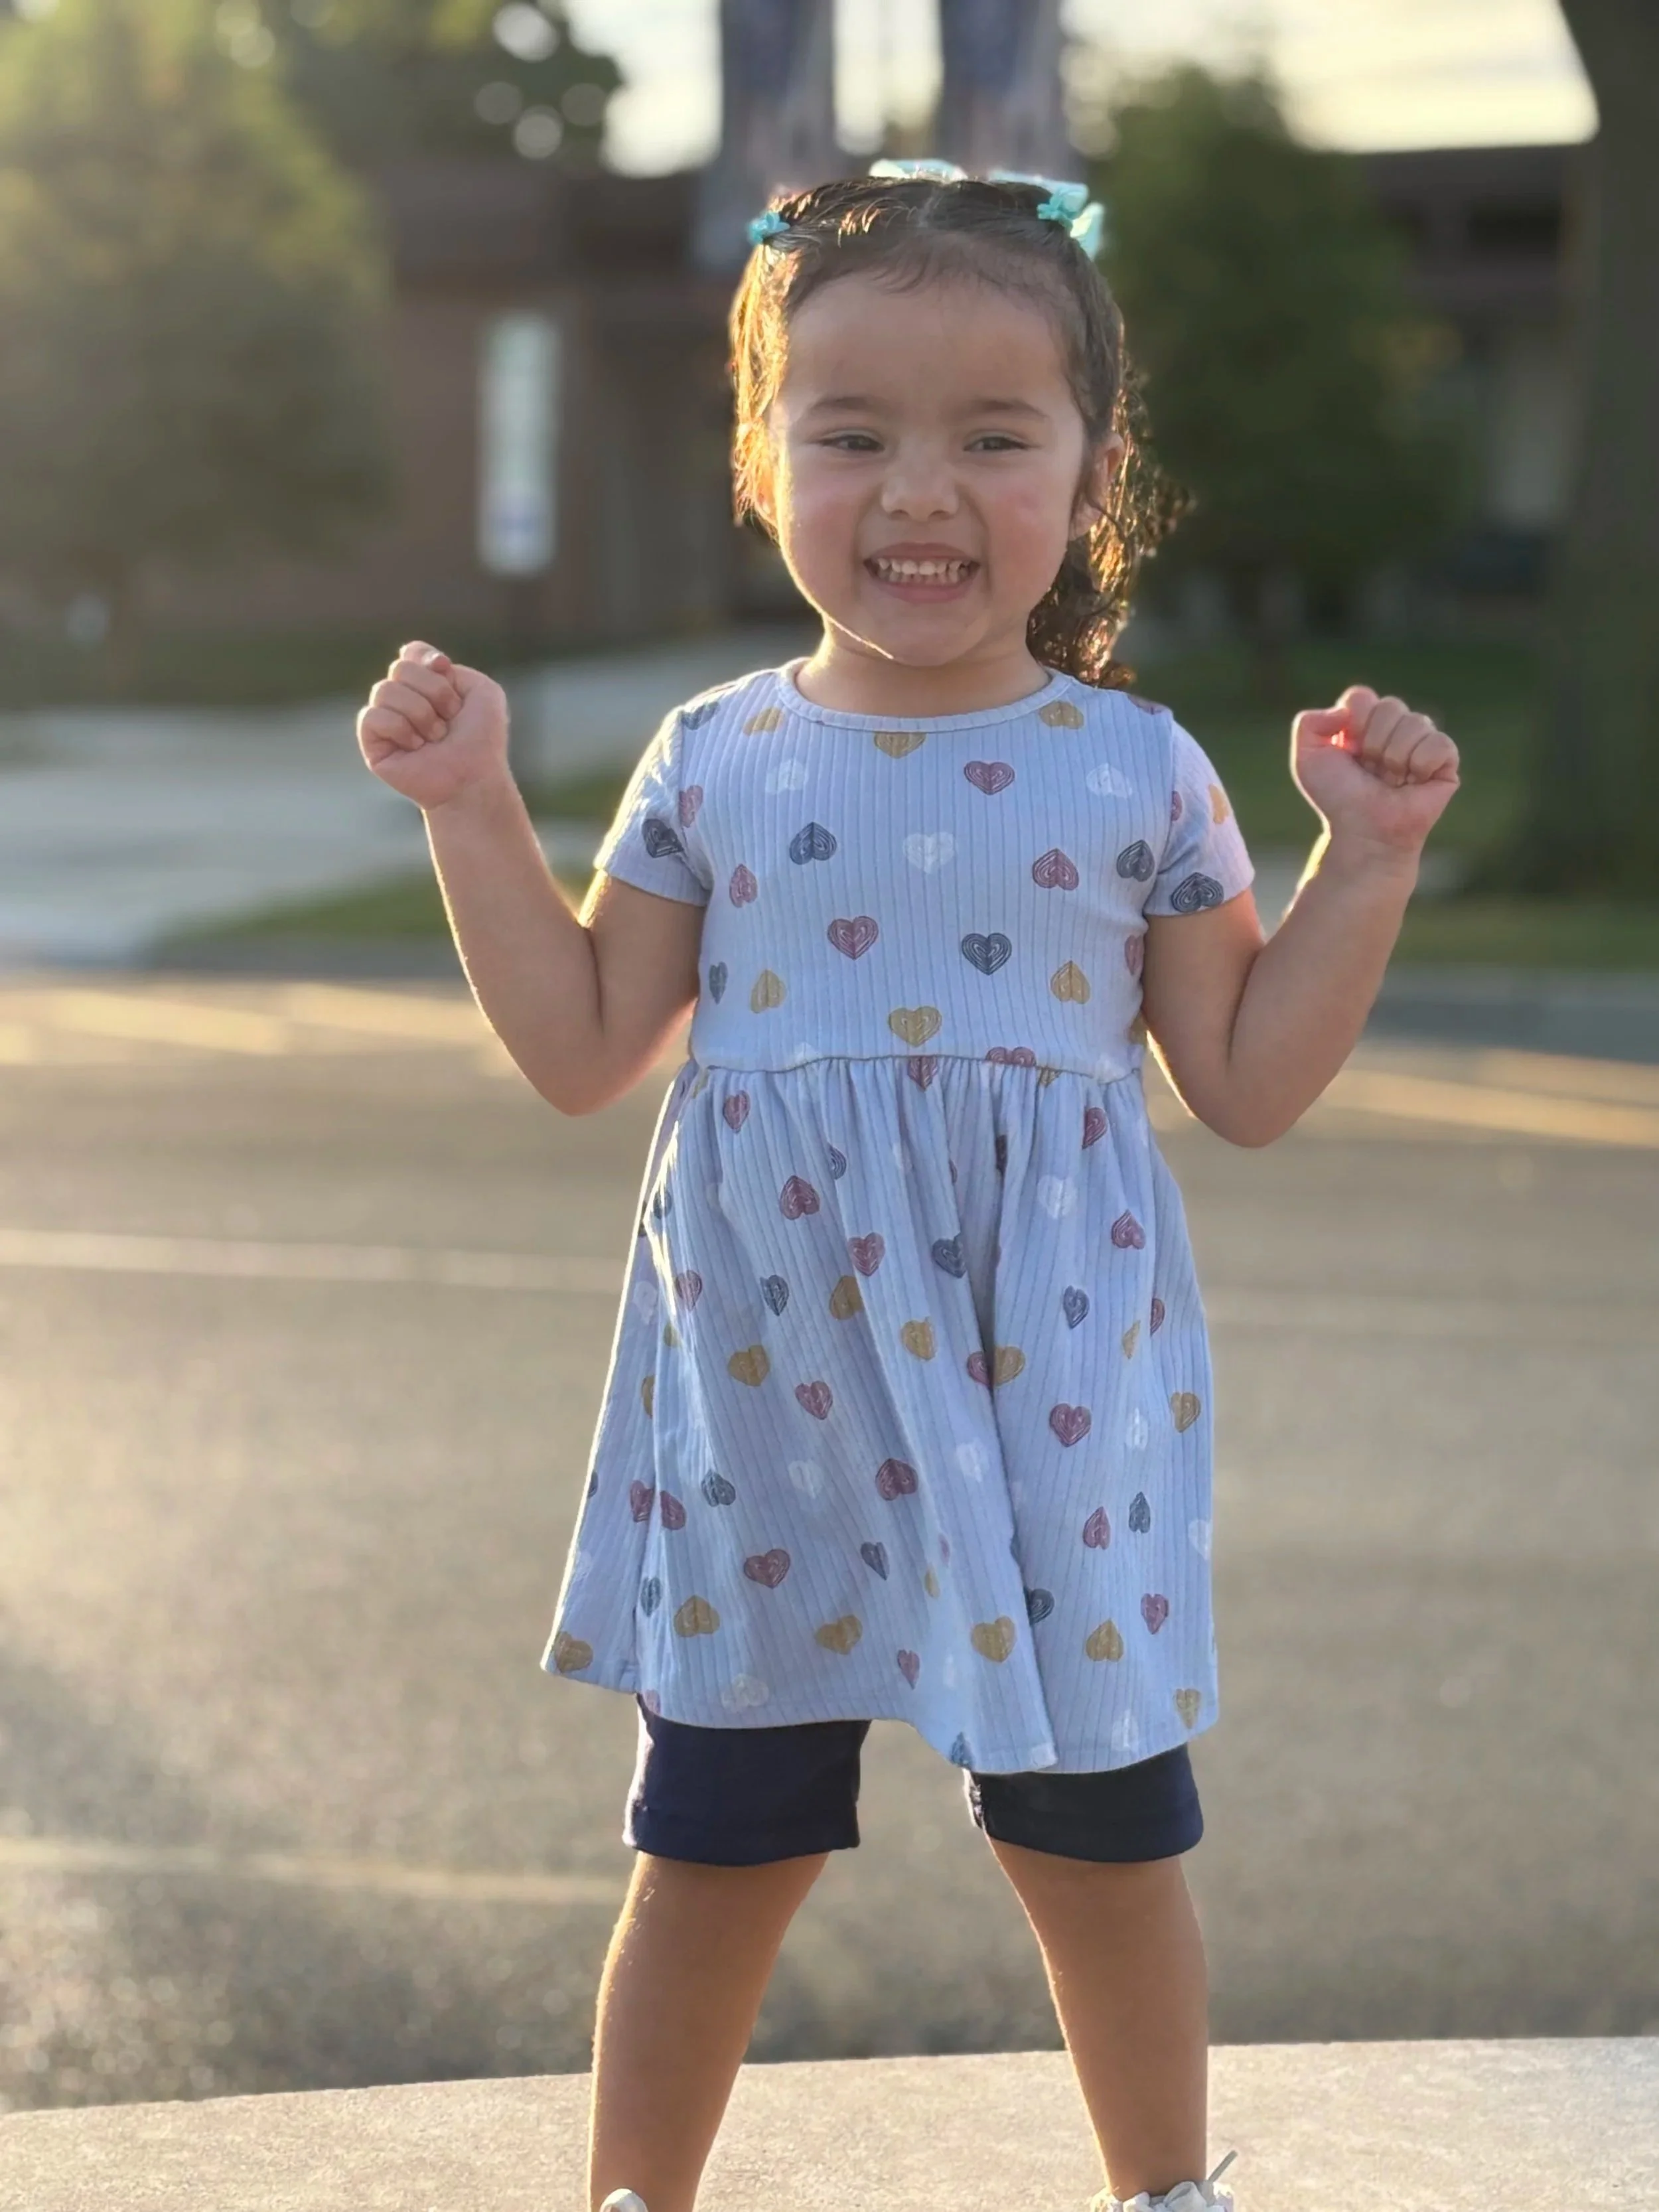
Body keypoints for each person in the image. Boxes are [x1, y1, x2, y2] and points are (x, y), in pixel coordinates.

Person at [356, 163, 1459, 2212]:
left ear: (1091, 467)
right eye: (851, 431)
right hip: (770, 1400)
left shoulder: (1133, 767)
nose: (918, 486)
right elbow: (587, 1041)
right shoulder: (715, 753)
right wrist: (470, 807)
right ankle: (633, 2197)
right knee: (718, 1839)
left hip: (1042, 1400)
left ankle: (1163, 2190)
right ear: (762, 464)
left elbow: (1242, 1079)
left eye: (989, 433)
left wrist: (1363, 867)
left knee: (1098, 1835)